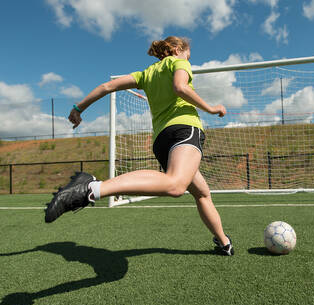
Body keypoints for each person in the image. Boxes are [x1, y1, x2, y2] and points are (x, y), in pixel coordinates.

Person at [44, 36, 234, 256]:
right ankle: (91, 188)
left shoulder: (147, 74)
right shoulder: (179, 62)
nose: (188, 58)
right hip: (185, 129)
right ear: (176, 49)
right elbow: (180, 87)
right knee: (176, 185)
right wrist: (210, 108)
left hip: (163, 140)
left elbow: (107, 86)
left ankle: (223, 242)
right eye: (187, 54)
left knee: (202, 193)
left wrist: (79, 108)